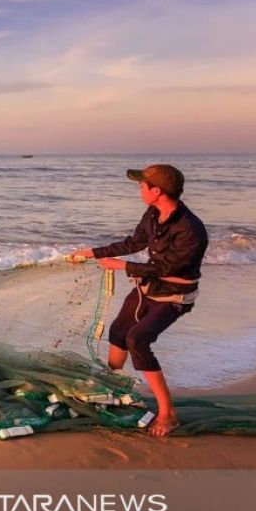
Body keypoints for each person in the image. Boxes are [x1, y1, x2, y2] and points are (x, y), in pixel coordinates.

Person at [69, 164, 207, 438]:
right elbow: (134, 243)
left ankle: (168, 413)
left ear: (156, 191)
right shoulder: (153, 213)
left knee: (138, 340)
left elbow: (166, 268)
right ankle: (112, 388)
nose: (139, 190)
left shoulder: (191, 229)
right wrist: (93, 252)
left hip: (174, 295)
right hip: (148, 288)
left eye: (142, 186)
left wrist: (121, 267)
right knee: (119, 332)